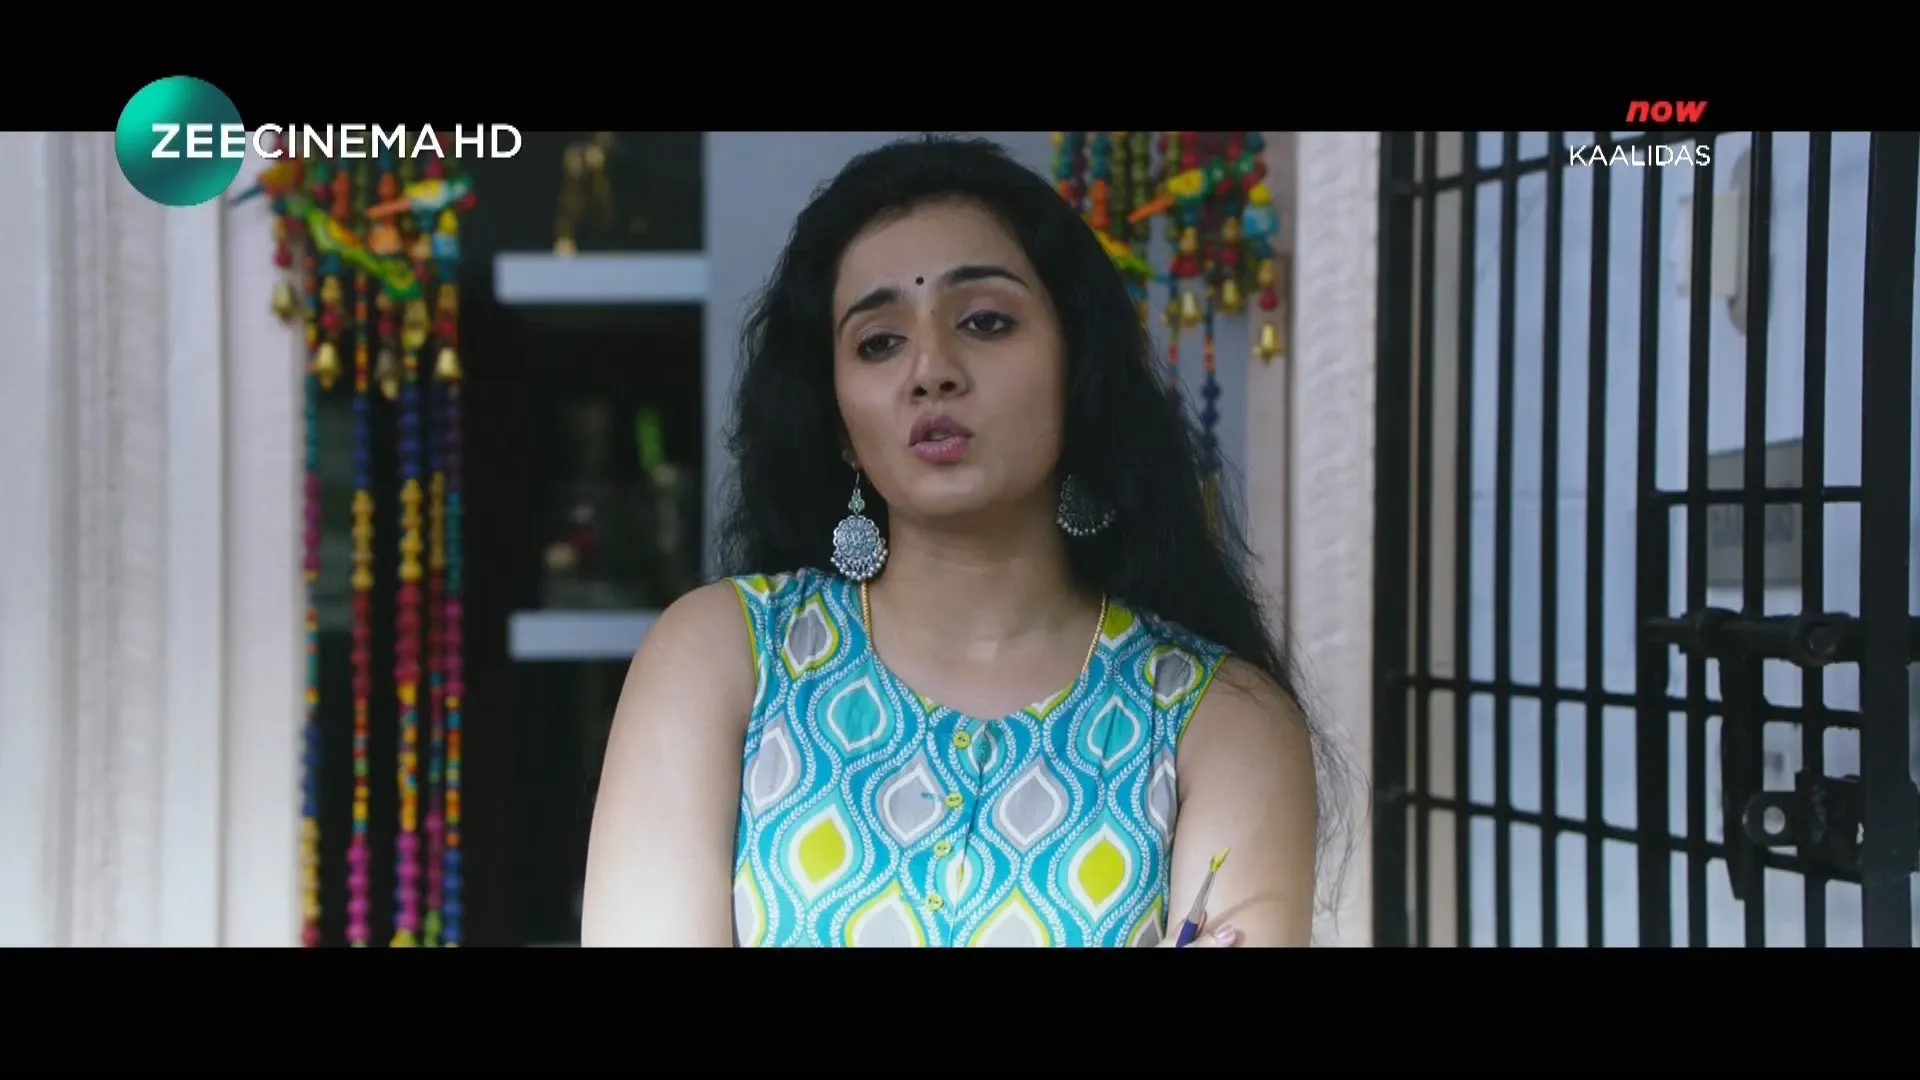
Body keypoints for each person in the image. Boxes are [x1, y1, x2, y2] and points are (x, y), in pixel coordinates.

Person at [583, 135, 1335, 948]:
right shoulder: (722, 657)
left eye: (985, 321)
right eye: (878, 342)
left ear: (1079, 373)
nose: (931, 369)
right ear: (837, 422)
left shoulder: (1214, 721)